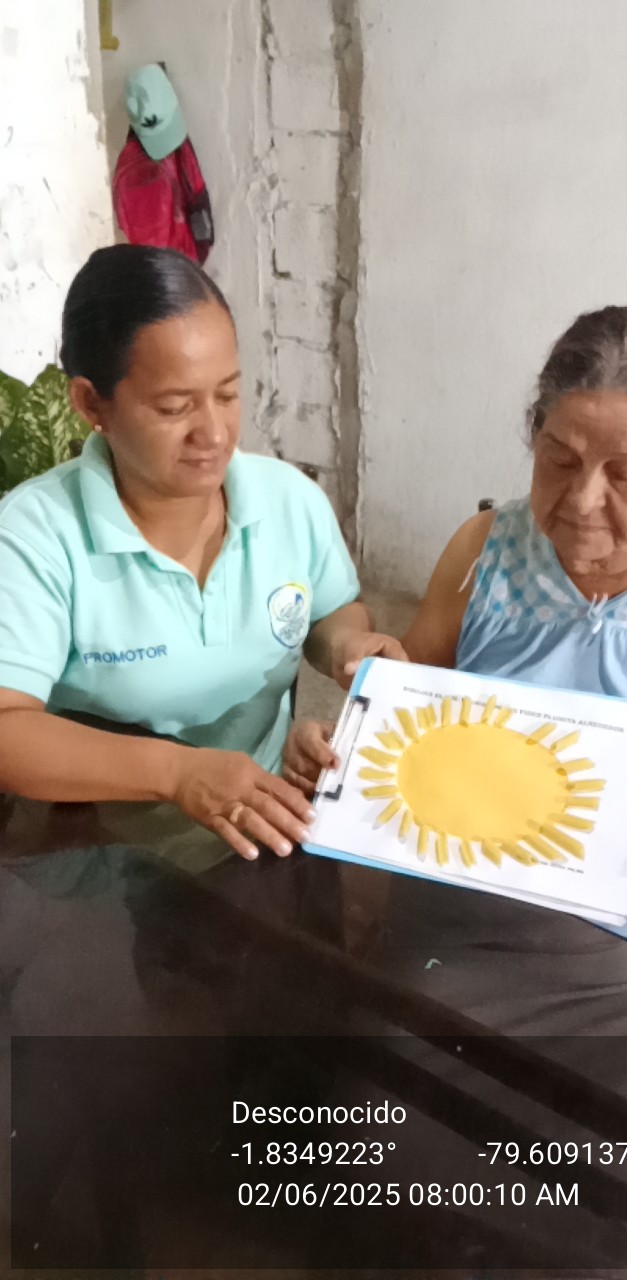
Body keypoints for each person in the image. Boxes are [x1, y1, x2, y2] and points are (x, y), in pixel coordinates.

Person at [290, 307, 627, 1003]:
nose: (583, 500)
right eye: (560, 460)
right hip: (469, 929)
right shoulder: (486, 547)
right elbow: (407, 717)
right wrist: (343, 750)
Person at [0, 245, 403, 862]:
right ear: (91, 404)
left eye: (228, 394)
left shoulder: (288, 500)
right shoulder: (36, 535)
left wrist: (347, 646)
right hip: (99, 855)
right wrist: (178, 773)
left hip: (262, 825)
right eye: (174, 407)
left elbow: (330, 610)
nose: (213, 434)